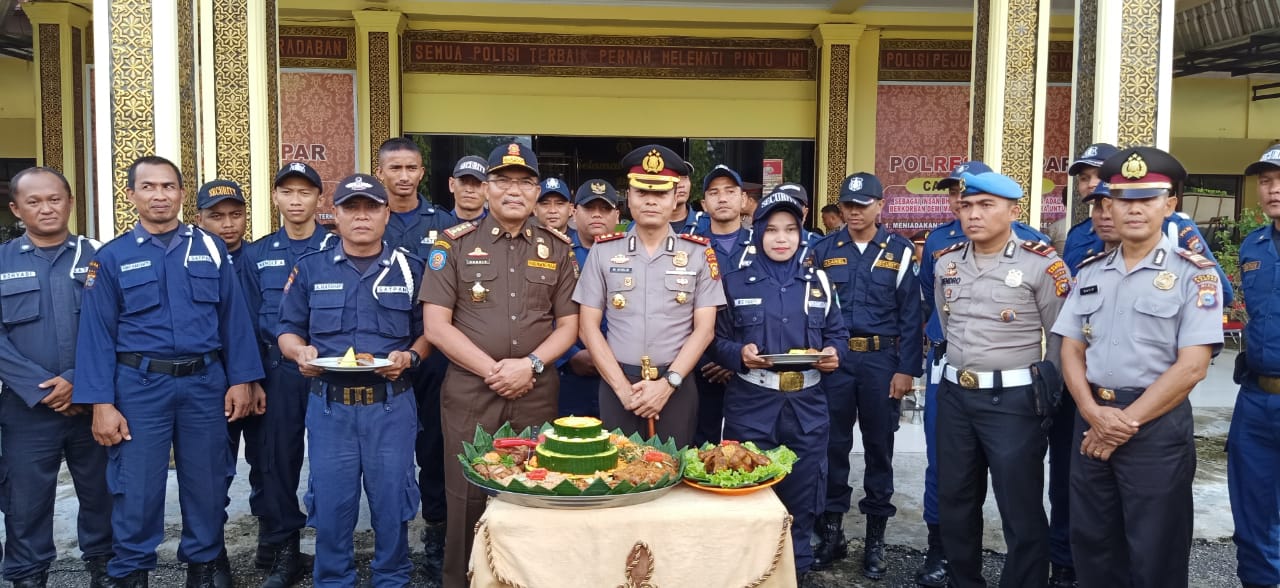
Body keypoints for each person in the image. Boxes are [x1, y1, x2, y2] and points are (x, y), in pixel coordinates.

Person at [74, 155, 263, 588]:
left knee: (208, 480)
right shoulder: (112, 258)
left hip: (204, 383)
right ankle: (132, 571)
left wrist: (242, 379)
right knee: (135, 486)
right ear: (132, 195)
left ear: (181, 193)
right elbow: (97, 336)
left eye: (168, 187)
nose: (160, 195)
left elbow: (232, 318)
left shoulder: (209, 247)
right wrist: (101, 404)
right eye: (149, 187)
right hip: (139, 387)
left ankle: (204, 565)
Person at [1052, 146, 1222, 588]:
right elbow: (1070, 349)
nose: (1134, 210)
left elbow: (1192, 368)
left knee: (1155, 550)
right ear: (1107, 205)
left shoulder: (1194, 275)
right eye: (1123, 200)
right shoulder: (1090, 271)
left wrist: (1122, 423)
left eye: (1147, 199)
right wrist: (1093, 414)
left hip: (1154, 428)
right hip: (1092, 420)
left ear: (1170, 204)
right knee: (1092, 544)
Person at [420, 143, 579, 588]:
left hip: (535, 392)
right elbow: (436, 325)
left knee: (536, 491)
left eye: (525, 182)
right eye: (504, 181)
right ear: (486, 188)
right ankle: (463, 580)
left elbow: (569, 325)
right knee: (467, 495)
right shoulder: (451, 245)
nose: (515, 190)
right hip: (472, 392)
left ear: (536, 192)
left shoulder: (557, 249)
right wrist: (496, 370)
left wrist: (528, 365)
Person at [276, 173, 427, 587]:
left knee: (393, 499)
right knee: (331, 501)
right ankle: (332, 579)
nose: (362, 216)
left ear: (385, 214)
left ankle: (392, 577)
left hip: (391, 404)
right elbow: (287, 328)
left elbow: (428, 330)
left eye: (371, 208)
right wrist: (299, 352)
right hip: (330, 407)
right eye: (351, 208)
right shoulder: (309, 268)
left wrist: (410, 355)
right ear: (336, 215)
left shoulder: (409, 268)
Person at [913, 160, 1048, 587]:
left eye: (986, 205)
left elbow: (1062, 338)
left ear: (1013, 210)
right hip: (956, 395)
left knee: (1020, 507)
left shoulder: (1042, 264)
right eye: (966, 204)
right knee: (955, 502)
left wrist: (1050, 398)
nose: (972, 214)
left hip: (1013, 402)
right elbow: (946, 324)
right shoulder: (945, 260)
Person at [713, 189, 846, 587]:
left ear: (802, 233)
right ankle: (750, 573)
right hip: (752, 402)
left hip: (806, 403)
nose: (782, 238)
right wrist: (740, 353)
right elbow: (714, 340)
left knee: (803, 493)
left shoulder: (819, 281)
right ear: (757, 234)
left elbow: (837, 331)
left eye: (790, 229)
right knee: (749, 490)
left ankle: (796, 570)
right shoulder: (734, 282)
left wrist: (834, 352)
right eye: (771, 230)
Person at [0, 167, 111, 588]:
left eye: (54, 199)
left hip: (93, 402)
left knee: (102, 494)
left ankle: (106, 568)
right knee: (26, 501)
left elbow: (117, 326)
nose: (46, 208)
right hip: (27, 409)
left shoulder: (100, 256)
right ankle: (29, 576)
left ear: (70, 202)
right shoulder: (2, 261)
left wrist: (77, 380)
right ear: (16, 208)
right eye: (34, 201)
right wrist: (39, 388)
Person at [808, 173, 923, 577]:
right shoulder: (823, 250)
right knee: (831, 449)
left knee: (879, 450)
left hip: (881, 364)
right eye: (848, 206)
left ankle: (876, 541)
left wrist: (907, 369)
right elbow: (813, 311)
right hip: (835, 364)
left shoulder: (900, 250)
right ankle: (832, 533)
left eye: (862, 205)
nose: (854, 212)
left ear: (879, 206)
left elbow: (912, 314)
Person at [573, 144, 726, 446]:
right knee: (620, 476)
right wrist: (621, 388)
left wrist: (667, 385)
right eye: (642, 193)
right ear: (628, 197)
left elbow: (705, 329)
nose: (651, 201)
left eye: (660, 194)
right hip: (617, 383)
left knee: (673, 474)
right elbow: (587, 327)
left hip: (676, 385)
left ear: (675, 198)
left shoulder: (698, 253)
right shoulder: (604, 251)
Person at [239, 162, 336, 587]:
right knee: (276, 462)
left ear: (319, 198)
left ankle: (335, 546)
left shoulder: (339, 246)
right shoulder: (256, 255)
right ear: (275, 198)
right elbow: (241, 322)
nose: (296, 201)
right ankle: (284, 549)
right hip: (277, 374)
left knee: (335, 465)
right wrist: (251, 378)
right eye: (288, 192)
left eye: (305, 192)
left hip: (333, 373)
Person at [372, 138, 456, 576]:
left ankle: (436, 534)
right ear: (380, 171)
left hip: (434, 356)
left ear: (422, 173)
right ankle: (393, 541)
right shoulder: (367, 217)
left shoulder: (444, 225)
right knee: (388, 454)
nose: (403, 176)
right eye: (395, 168)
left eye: (412, 168)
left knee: (435, 448)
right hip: (379, 356)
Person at [193, 179, 270, 581]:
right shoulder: (191, 260)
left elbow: (264, 324)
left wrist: (251, 378)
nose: (227, 224)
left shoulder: (260, 258)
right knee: (213, 473)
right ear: (198, 218)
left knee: (268, 467)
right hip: (209, 386)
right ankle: (212, 555)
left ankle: (271, 547)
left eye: (235, 215)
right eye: (216, 216)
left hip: (262, 384)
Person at [1061, 144, 1232, 305]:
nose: (1092, 184)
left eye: (1100, 176)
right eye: (1084, 178)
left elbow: (1216, 293)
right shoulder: (1079, 234)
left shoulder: (1173, 227)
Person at [1230, 144, 1280, 588]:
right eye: (1266, 181)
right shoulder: (1254, 244)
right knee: (1252, 509)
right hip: (1258, 397)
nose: (1273, 189)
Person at [694, 165, 754, 445]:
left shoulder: (763, 247)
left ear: (743, 200)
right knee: (700, 446)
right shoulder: (691, 249)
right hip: (700, 366)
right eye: (714, 193)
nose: (722, 198)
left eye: (730, 192)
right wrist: (711, 359)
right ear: (704, 204)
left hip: (749, 367)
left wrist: (735, 359)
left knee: (744, 449)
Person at [555, 180, 622, 418]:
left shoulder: (632, 254)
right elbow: (541, 310)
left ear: (617, 215)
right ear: (574, 212)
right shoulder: (557, 253)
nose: (597, 215)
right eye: (589, 208)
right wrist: (570, 355)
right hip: (570, 373)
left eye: (604, 209)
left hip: (621, 370)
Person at [670, 161, 711, 235]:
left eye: (685, 178)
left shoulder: (708, 223)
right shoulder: (649, 223)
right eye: (674, 179)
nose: (681, 185)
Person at [449, 155, 488, 222]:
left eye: (477, 183)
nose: (469, 190)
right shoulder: (437, 225)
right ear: (452, 184)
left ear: (488, 189)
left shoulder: (501, 227)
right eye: (463, 182)